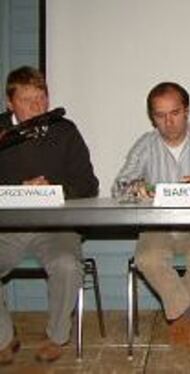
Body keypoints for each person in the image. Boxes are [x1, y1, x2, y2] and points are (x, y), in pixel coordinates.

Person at [112, 82, 190, 354]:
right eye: (160, 115)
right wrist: (135, 188)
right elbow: (118, 187)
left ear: (187, 111)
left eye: (175, 113)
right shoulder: (145, 144)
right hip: (158, 226)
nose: (168, 121)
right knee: (147, 259)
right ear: (152, 117)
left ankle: (180, 315)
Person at [0, 66, 99, 364]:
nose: (37, 106)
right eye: (28, 99)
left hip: (56, 227)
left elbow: (88, 184)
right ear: (9, 103)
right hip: (7, 228)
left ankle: (57, 336)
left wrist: (54, 189)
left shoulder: (64, 130)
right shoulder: (2, 133)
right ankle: (3, 338)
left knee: (68, 265)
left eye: (42, 98)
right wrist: (18, 189)